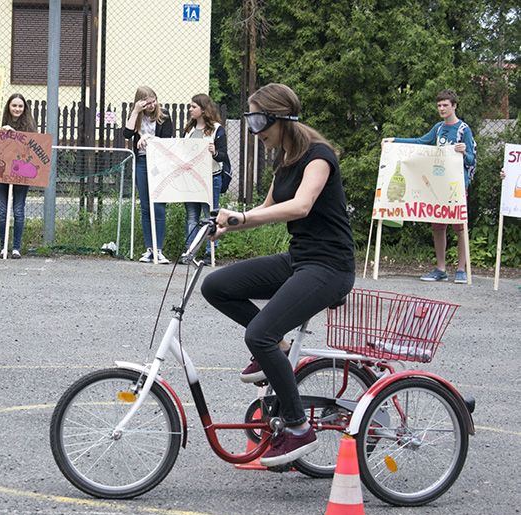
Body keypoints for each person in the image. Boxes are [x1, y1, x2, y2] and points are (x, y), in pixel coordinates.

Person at [200, 83, 355, 466]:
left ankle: (298, 427)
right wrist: (227, 225)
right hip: (299, 258)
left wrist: (242, 217)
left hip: (330, 266)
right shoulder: (284, 159)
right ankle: (281, 351)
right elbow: (267, 208)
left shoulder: (318, 155)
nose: (255, 131)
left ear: (281, 118)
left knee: (259, 335)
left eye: (258, 121)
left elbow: (301, 206)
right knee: (216, 286)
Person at [382, 89, 476, 284]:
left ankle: (461, 269)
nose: (441, 109)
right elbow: (420, 142)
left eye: (445, 105)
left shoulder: (463, 130)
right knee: (438, 226)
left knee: (460, 227)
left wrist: (464, 152)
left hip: (457, 185)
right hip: (438, 184)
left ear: (454, 106)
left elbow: (471, 160)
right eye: (439, 105)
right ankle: (441, 269)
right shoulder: (438, 128)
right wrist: (395, 141)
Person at [123, 86, 173, 264]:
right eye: (148, 103)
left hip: (159, 163)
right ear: (140, 103)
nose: (152, 105)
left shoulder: (164, 116)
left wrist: (149, 138)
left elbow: (167, 140)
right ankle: (149, 250)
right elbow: (127, 134)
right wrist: (135, 112)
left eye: (154, 101)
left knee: (158, 206)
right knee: (145, 207)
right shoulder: (137, 116)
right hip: (142, 162)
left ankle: (159, 250)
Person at [180, 93, 229, 264]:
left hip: (210, 178)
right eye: (190, 106)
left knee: (210, 215)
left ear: (203, 109)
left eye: (193, 106)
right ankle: (191, 252)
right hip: (191, 179)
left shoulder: (217, 129)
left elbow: (223, 155)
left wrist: (214, 152)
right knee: (192, 216)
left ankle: (210, 253)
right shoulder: (189, 129)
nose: (190, 109)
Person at [0, 93, 36, 259]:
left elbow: (31, 148)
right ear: (9, 107)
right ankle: (3, 247)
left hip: (21, 175)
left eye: (20, 106)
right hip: (2, 173)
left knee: (18, 210)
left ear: (24, 108)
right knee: (2, 211)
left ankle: (16, 248)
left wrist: (14, 135)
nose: (17, 109)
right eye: (14, 105)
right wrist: (3, 133)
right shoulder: (1, 123)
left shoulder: (29, 126)